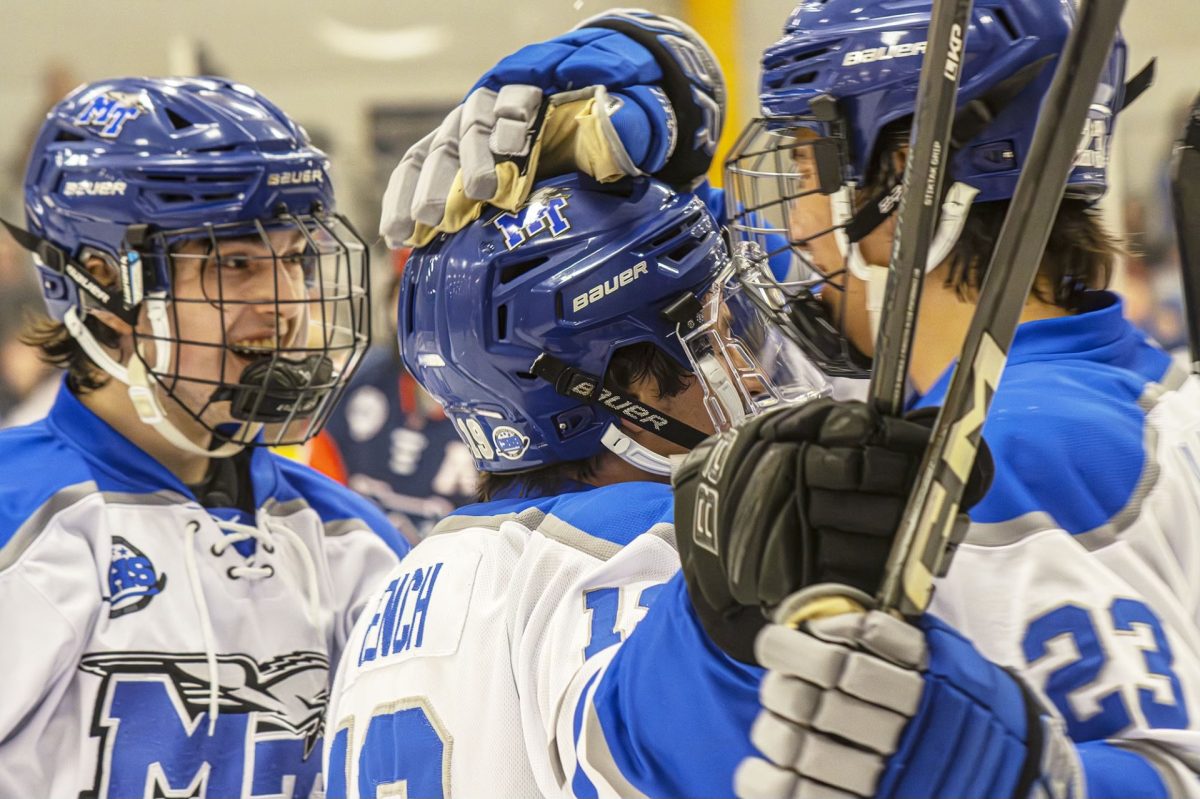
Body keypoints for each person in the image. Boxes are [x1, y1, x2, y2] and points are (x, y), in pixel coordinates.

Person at [376, 3, 1200, 797]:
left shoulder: (1003, 453)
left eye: (801, 166)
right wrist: (662, 90)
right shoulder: (1135, 392)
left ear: (907, 178)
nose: (781, 226)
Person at [321, 171, 1064, 799]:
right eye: (717, 333)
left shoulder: (405, 582)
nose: (747, 364)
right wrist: (730, 631)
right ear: (608, 384)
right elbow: (653, 733)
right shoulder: (643, 540)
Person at [0, 77, 409, 798]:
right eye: (237, 264)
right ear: (102, 282)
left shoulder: (350, 540)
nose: (285, 305)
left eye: (294, 260)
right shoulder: (20, 521)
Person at [318, 248, 477, 543]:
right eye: (407, 294)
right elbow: (320, 498)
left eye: (439, 298)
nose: (420, 314)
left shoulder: (503, 402)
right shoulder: (354, 383)